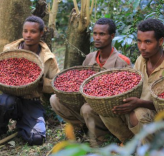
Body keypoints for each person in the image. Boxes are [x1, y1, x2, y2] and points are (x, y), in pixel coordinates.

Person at [50, 18, 132, 146]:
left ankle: (103, 138)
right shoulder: (89, 58)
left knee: (87, 108)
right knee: (55, 99)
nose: (97, 38)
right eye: (95, 34)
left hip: (110, 109)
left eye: (102, 34)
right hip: (87, 102)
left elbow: (128, 92)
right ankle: (81, 127)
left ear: (112, 36)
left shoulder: (122, 62)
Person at [100, 18, 164, 144]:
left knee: (138, 113)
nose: (142, 47)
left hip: (163, 119)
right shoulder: (140, 60)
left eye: (148, 42)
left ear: (160, 41)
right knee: (107, 109)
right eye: (139, 41)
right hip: (139, 109)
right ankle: (130, 142)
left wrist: (140, 103)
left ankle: (152, 149)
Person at [0, 15, 60, 145]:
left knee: (37, 138)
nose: (28, 35)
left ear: (41, 33)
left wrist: (42, 83)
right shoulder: (10, 50)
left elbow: (56, 84)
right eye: (25, 31)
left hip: (33, 101)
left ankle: (23, 124)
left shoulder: (48, 57)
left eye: (33, 31)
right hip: (10, 97)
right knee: (5, 102)